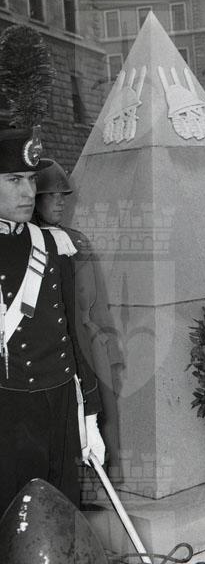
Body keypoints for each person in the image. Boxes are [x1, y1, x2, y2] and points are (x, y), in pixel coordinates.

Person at [0, 128, 105, 514]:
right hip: (9, 410)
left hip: (61, 403)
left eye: (31, 179)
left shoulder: (53, 245)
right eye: (14, 180)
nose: (28, 192)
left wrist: (90, 412)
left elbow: (73, 333)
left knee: (63, 516)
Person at [33, 158, 124, 467]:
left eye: (63, 195)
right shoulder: (27, 245)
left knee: (102, 423)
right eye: (51, 195)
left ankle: (99, 485)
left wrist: (111, 349)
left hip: (90, 344)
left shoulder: (76, 240)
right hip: (53, 350)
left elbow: (97, 303)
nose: (60, 202)